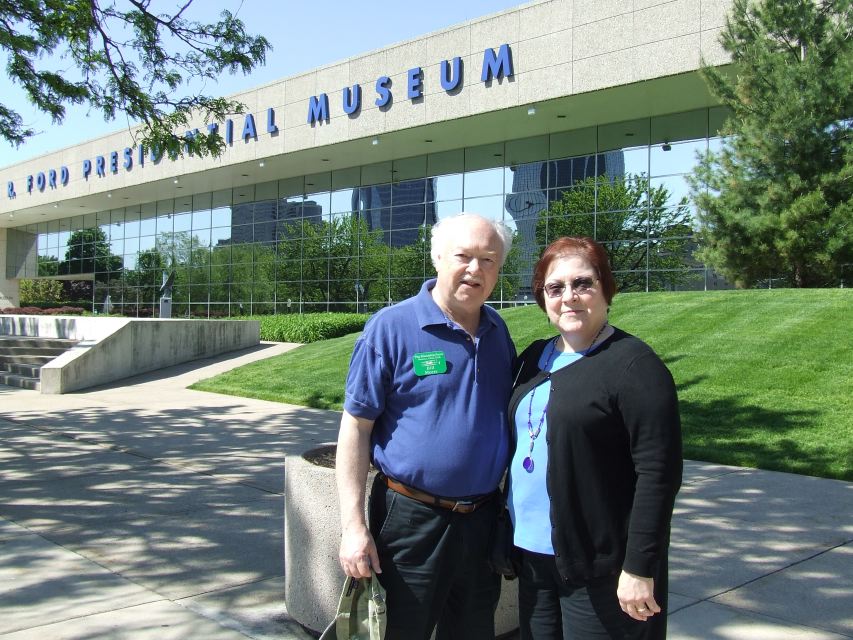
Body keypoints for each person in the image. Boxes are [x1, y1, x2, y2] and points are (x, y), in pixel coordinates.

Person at [336, 213, 516, 640]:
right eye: (464, 256)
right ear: (437, 257)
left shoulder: (498, 331)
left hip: (482, 522)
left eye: (489, 260)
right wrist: (353, 527)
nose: (475, 269)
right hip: (411, 522)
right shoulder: (391, 328)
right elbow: (356, 428)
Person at [508, 236, 682, 640]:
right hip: (533, 557)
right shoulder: (533, 357)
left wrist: (640, 567)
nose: (569, 297)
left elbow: (659, 474)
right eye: (555, 288)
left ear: (606, 289)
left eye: (583, 283)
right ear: (542, 298)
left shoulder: (636, 366)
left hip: (601, 565)